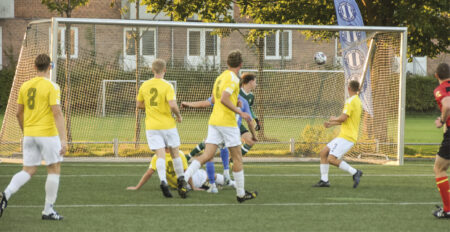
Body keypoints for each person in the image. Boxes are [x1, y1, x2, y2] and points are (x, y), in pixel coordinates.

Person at [182, 50, 258, 202]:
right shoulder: (233, 79)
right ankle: (241, 194)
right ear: (241, 64)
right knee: (237, 158)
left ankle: (183, 179)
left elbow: (217, 99)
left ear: (227, 63)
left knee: (207, 155)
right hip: (227, 122)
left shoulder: (220, 77)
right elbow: (223, 99)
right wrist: (239, 111)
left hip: (214, 121)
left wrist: (235, 101)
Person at [0, 54, 67, 220]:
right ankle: (48, 210)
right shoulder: (52, 86)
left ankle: (5, 195)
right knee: (54, 168)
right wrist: (64, 139)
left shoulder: (24, 86)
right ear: (50, 66)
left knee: (28, 170)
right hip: (48, 134)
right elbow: (57, 112)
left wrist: (25, 131)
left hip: (29, 134)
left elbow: (18, 113)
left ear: (35, 67)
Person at [181, 95, 256, 193]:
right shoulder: (231, 92)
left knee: (209, 154)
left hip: (222, 124)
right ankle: (236, 190)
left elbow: (205, 103)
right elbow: (207, 103)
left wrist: (188, 104)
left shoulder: (223, 90)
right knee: (229, 157)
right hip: (226, 126)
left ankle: (190, 179)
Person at [136, 59, 187, 198]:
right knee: (175, 153)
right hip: (168, 125)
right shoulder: (168, 86)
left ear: (152, 70)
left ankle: (163, 181)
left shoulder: (145, 85)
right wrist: (178, 115)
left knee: (160, 155)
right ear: (165, 70)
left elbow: (139, 104)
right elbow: (172, 105)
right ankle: (181, 180)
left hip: (152, 126)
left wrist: (152, 107)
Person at [313, 80, 363, 188]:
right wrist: (331, 124)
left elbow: (343, 118)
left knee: (331, 159)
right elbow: (346, 121)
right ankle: (324, 180)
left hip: (347, 137)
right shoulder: (358, 101)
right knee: (323, 153)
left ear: (349, 88)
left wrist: (334, 118)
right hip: (345, 135)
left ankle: (355, 172)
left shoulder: (350, 101)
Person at [126, 148, 231, 192]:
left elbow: (149, 173)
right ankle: (227, 181)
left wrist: (137, 187)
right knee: (208, 176)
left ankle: (230, 182)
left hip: (187, 183)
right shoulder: (179, 154)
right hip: (188, 182)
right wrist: (193, 187)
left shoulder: (157, 157)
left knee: (210, 176)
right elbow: (187, 172)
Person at [431, 63, 450, 219]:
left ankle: (448, 209)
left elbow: (447, 104)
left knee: (439, 168)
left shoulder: (440, 89)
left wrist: (442, 121)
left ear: (436, 75)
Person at [239, 73, 259, 155]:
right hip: (227, 122)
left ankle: (233, 160)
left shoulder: (251, 96)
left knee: (250, 141)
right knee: (214, 145)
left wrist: (256, 120)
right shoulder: (236, 92)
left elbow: (249, 109)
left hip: (237, 123)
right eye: (255, 82)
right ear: (250, 82)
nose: (256, 84)